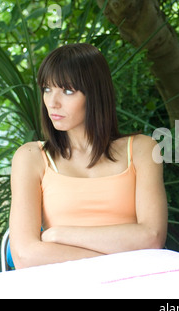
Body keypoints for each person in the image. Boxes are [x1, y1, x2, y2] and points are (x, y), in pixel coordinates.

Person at [9, 43, 168, 269]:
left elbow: (152, 237)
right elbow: (25, 256)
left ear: (95, 93)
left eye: (67, 91)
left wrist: (58, 234)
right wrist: (114, 258)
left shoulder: (142, 149)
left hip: (133, 282)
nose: (52, 102)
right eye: (46, 89)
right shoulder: (31, 157)